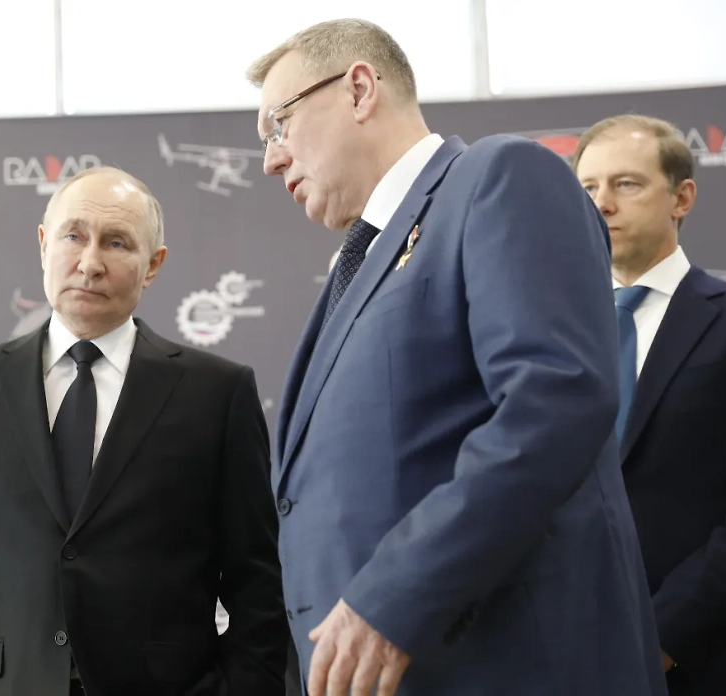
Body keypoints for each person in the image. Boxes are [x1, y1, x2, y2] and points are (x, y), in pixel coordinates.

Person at [246, 19, 667, 696]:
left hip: (505, 667)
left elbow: (553, 399)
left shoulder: (500, 177)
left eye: (279, 124)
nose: (272, 159)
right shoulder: (360, 261)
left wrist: (395, 594)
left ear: (359, 89)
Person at [0, 166, 290, 696]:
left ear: (153, 265)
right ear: (44, 244)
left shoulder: (218, 394)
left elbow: (258, 583)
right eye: (74, 236)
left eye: (117, 243)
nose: (89, 263)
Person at [573, 113, 726, 695]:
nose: (602, 204)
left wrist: (663, 637)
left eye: (626, 184)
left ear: (682, 198)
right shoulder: (549, 330)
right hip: (567, 652)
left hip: (699, 658)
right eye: (589, 188)